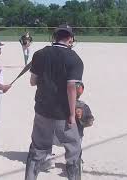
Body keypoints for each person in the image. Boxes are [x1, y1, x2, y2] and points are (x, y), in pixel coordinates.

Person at [25, 24, 84, 180]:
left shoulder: (40, 54)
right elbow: (71, 88)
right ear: (70, 39)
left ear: (54, 37)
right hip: (63, 113)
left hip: (42, 110)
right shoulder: (75, 59)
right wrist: (72, 114)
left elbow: (32, 81)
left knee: (37, 150)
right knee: (74, 150)